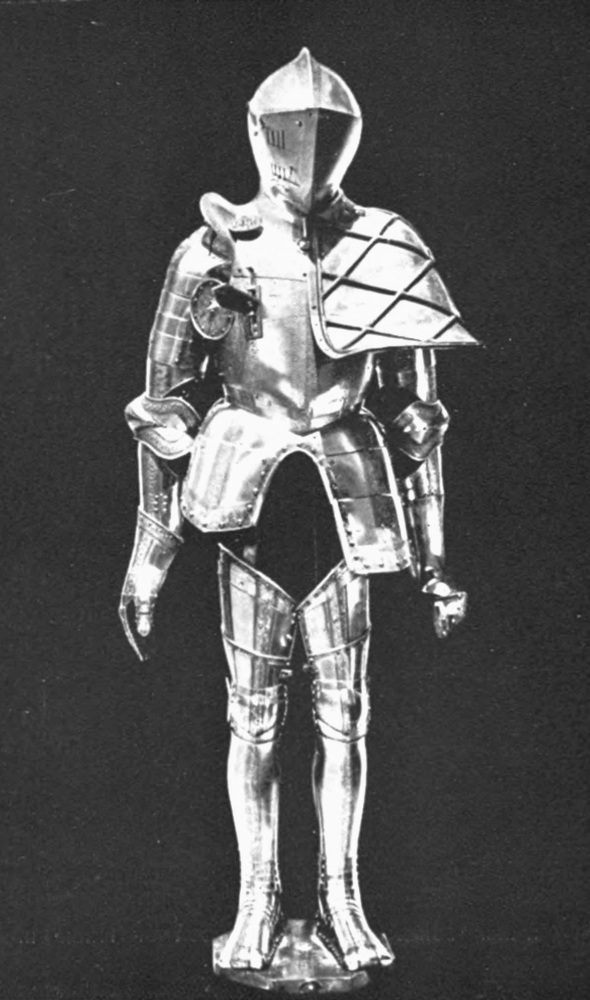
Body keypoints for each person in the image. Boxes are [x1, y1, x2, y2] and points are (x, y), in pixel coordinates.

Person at [120, 48, 476, 975]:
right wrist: (149, 557)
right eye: (289, 133)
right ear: (257, 133)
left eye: (325, 135)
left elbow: (420, 422)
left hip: (349, 499)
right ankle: (256, 903)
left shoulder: (384, 243)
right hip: (247, 504)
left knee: (345, 718)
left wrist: (436, 562)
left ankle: (342, 899)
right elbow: (162, 407)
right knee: (253, 718)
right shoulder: (212, 251)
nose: (306, 151)